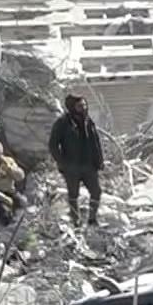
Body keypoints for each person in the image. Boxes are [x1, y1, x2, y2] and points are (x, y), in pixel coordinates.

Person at [47, 94, 105, 226]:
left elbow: (96, 141)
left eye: (85, 105)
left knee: (96, 192)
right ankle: (76, 220)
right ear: (72, 107)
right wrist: (61, 162)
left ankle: (92, 219)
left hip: (89, 165)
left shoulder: (88, 121)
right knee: (73, 194)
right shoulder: (62, 123)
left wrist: (100, 160)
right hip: (72, 167)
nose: (84, 108)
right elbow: (53, 145)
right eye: (80, 106)